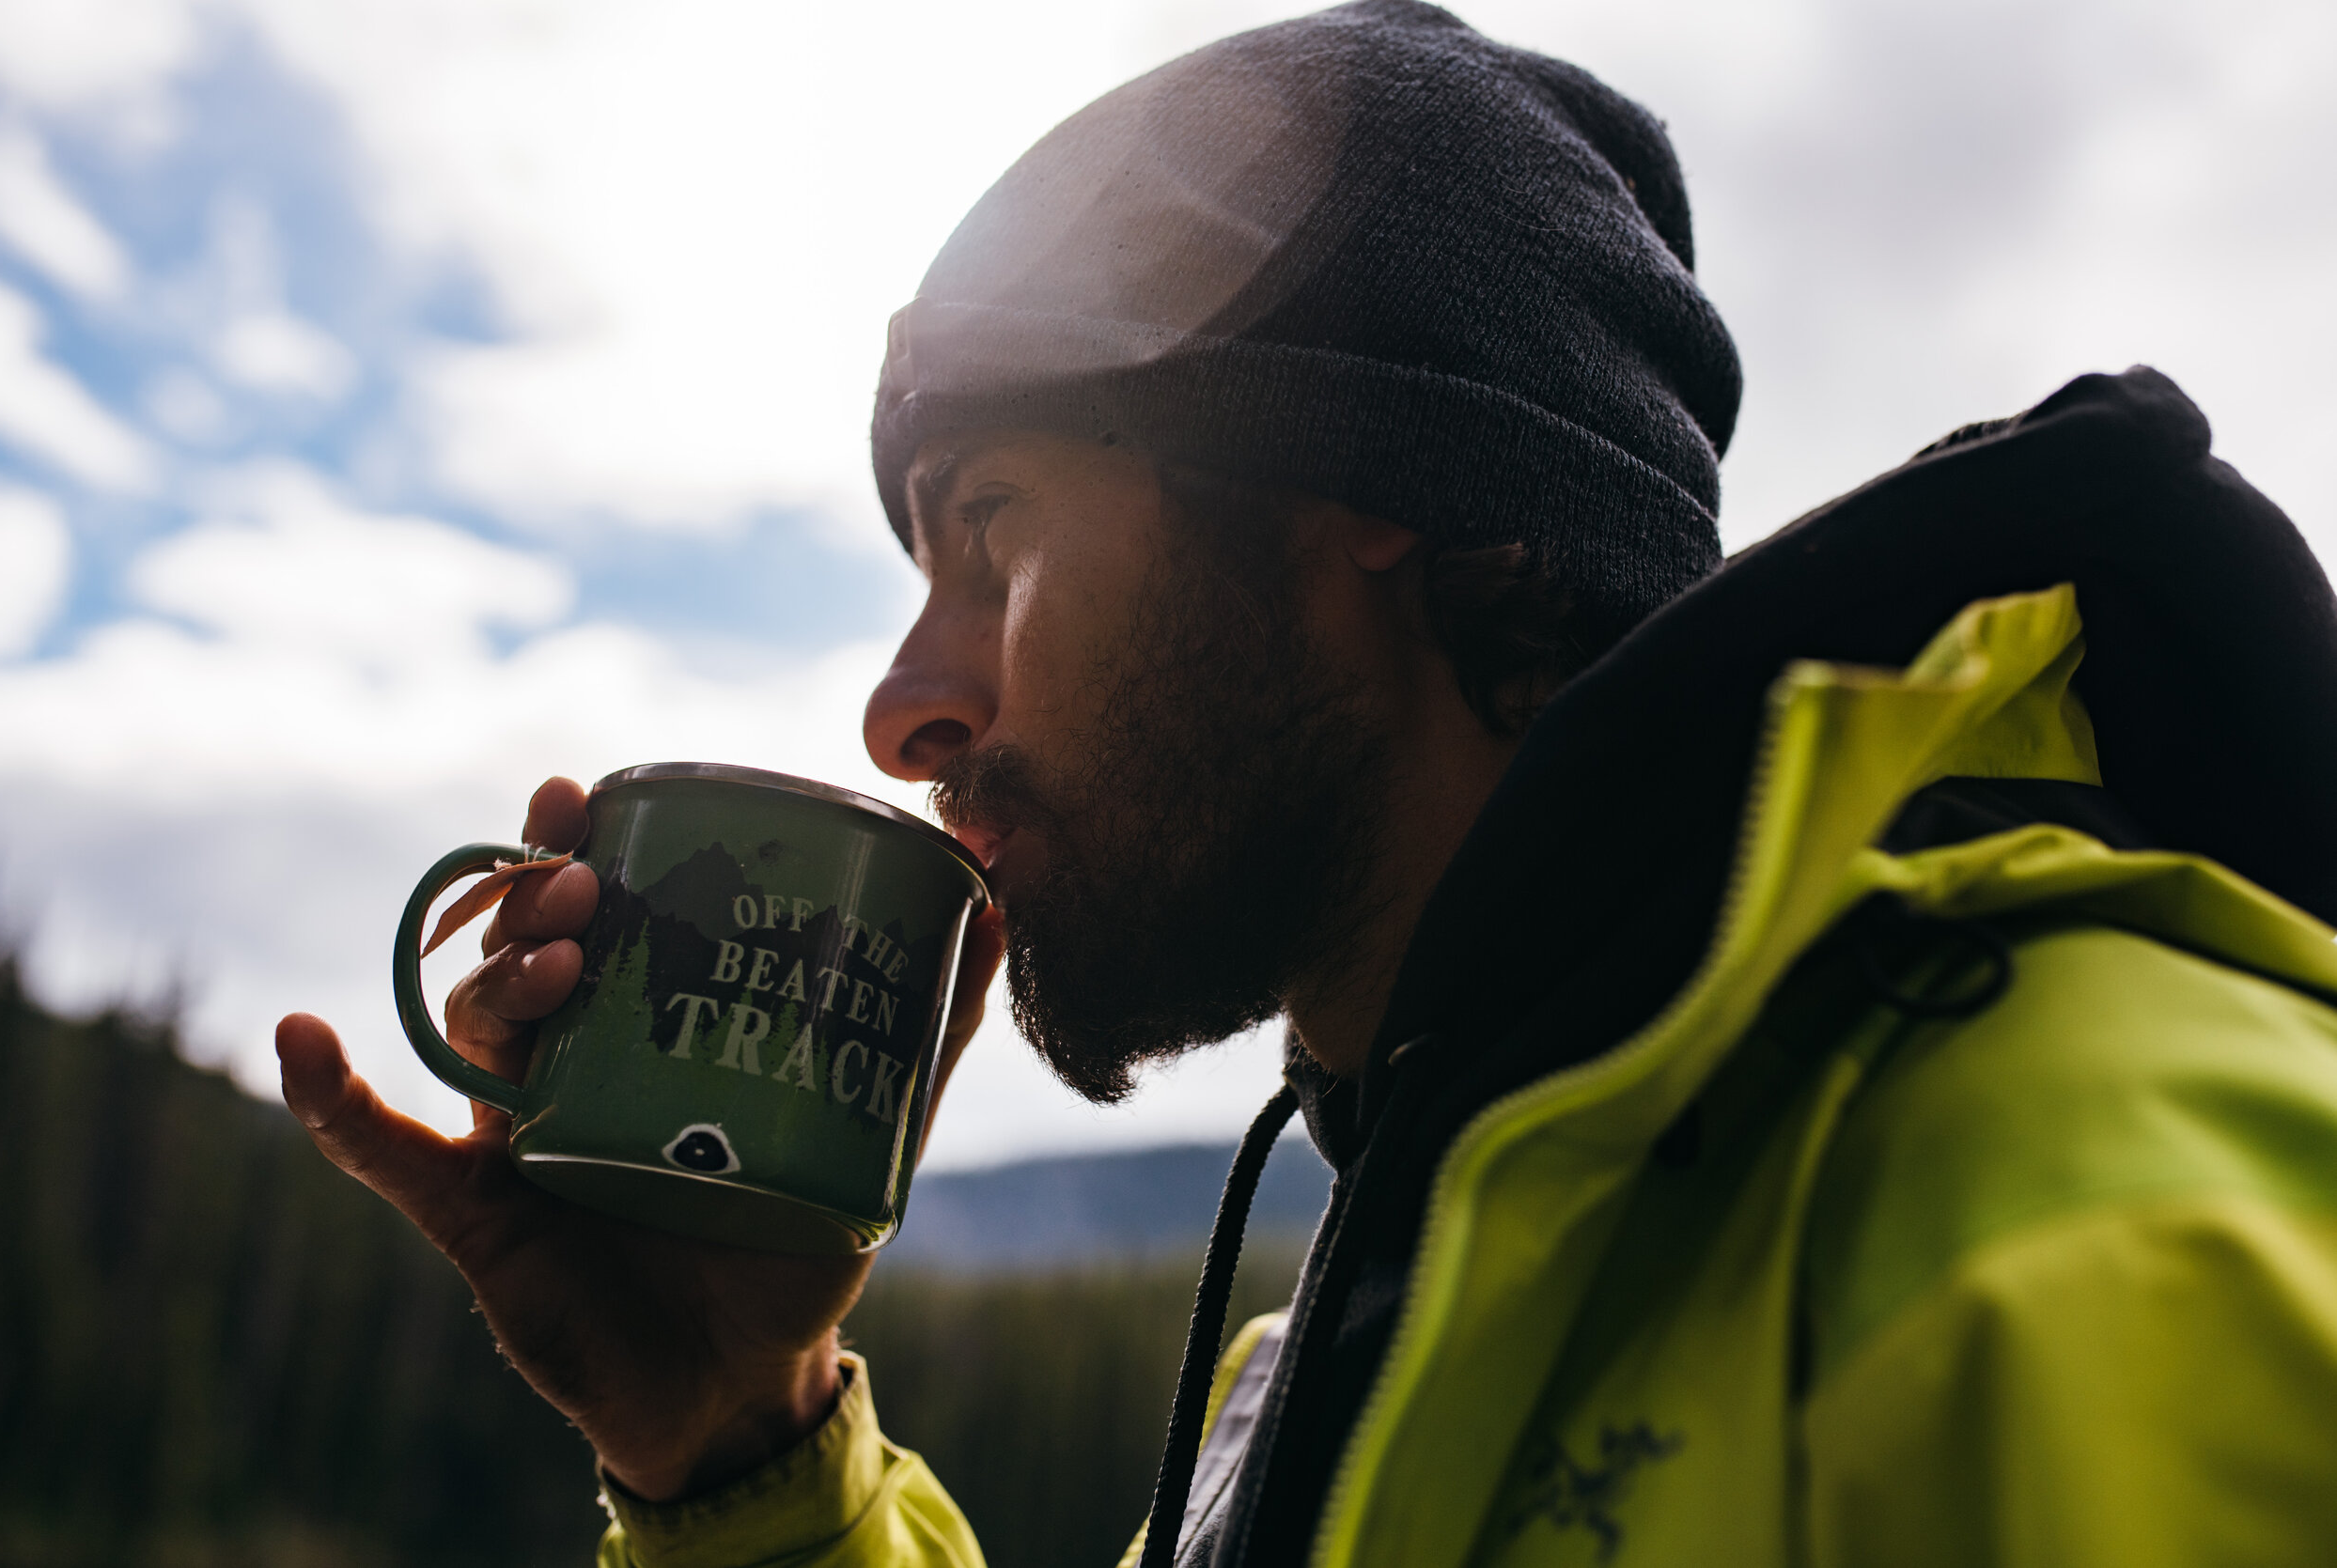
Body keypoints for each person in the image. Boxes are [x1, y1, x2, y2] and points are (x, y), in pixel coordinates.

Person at [275, 3, 2337, 1564]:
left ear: (1375, 490)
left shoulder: (2077, 1182)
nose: (901, 712)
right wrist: (743, 1440)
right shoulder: (1319, 1365)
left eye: (992, 532)